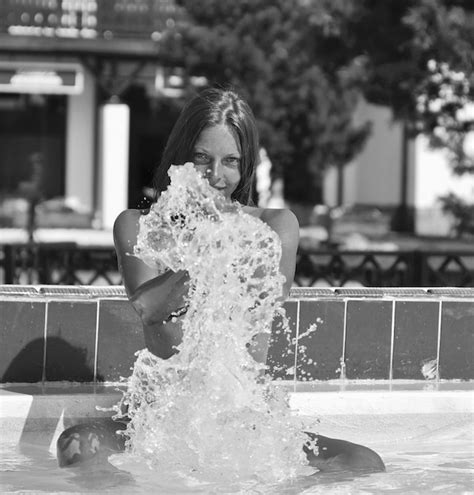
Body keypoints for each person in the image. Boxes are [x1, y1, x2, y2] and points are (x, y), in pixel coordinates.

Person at [57, 87, 384, 474]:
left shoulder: (274, 227)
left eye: (231, 161)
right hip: (160, 420)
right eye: (201, 158)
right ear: (180, 158)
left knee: (364, 462)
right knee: (74, 445)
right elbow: (147, 307)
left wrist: (222, 238)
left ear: (245, 166)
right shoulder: (139, 226)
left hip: (245, 420)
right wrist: (205, 254)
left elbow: (264, 306)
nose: (216, 176)